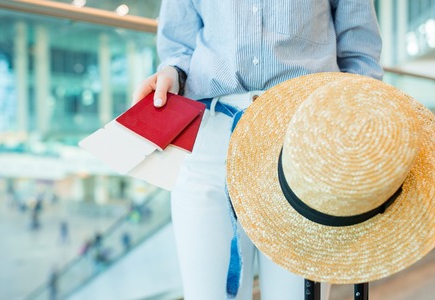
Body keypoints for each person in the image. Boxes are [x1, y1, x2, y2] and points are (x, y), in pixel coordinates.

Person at [131, 1, 383, 299]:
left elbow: (360, 56)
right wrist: (173, 73)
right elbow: (179, 46)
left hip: (304, 143)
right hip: (212, 139)